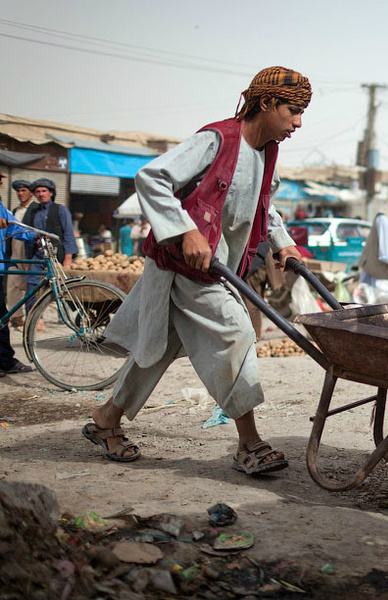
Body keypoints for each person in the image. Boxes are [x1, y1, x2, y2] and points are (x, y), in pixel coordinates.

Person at [81, 66, 310, 474]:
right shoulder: (217, 140)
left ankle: (107, 419)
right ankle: (249, 444)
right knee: (236, 332)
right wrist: (185, 231)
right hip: (186, 267)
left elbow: (263, 206)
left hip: (215, 268)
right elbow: (151, 177)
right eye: (293, 111)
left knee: (159, 347)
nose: (297, 123)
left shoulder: (265, 152)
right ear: (267, 103)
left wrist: (283, 241)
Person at [22, 178, 79, 309]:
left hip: (56, 256)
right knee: (32, 288)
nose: (41, 194)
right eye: (38, 192)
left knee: (61, 286)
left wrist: (68, 257)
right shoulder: (32, 211)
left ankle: (63, 315)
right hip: (37, 255)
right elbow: (26, 234)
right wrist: (27, 260)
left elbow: (68, 233)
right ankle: (34, 318)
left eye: (44, 191)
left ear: (51, 193)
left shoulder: (60, 210)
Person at [0, 175, 35, 375]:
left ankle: (5, 360)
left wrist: (37, 235)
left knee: (1, 316)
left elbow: (16, 227)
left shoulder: (2, 207)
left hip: (2, 264)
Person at [7, 180, 35, 327]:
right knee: (12, 286)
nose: (20, 193)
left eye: (24, 190)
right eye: (18, 191)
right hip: (15, 253)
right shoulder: (15, 211)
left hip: (29, 254)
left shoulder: (35, 209)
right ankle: (16, 317)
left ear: (30, 192)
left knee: (32, 286)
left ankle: (35, 318)